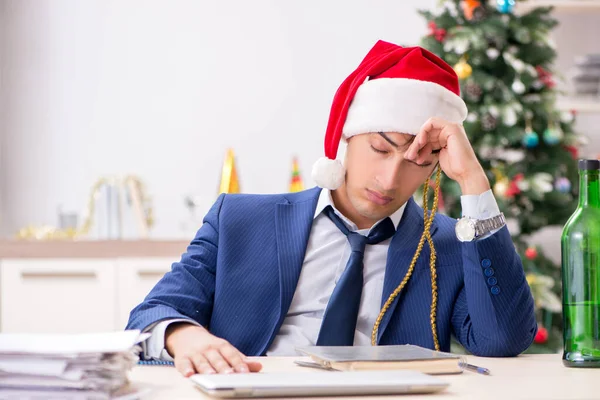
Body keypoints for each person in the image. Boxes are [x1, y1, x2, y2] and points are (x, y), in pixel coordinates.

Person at [126, 40, 537, 377]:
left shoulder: (446, 243)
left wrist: (473, 183)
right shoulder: (238, 220)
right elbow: (151, 313)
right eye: (380, 148)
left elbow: (501, 339)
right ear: (346, 136)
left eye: (418, 161)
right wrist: (185, 335)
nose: (390, 179)